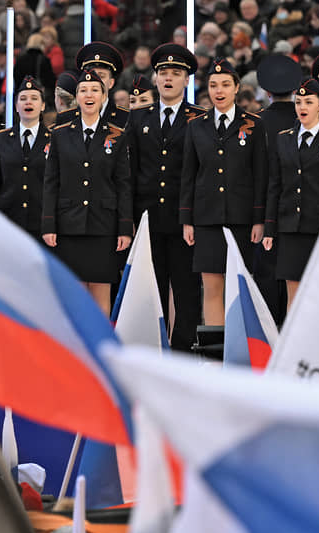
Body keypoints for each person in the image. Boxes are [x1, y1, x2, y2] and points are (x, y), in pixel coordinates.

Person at [126, 43, 205, 352]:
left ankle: (184, 351)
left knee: (186, 289)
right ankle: (154, 348)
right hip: (147, 217)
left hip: (184, 218)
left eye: (176, 73)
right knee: (152, 289)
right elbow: (131, 171)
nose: (169, 79)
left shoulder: (199, 118)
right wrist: (129, 219)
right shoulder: (138, 118)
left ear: (187, 80)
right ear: (155, 79)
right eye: (163, 73)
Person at [180, 57, 267, 326]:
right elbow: (189, 174)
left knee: (240, 285)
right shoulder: (196, 125)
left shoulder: (253, 124)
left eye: (225, 85)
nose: (219, 91)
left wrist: (259, 219)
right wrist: (187, 219)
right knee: (212, 284)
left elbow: (260, 174)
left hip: (241, 218)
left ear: (236, 88)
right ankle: (215, 349)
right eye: (214, 85)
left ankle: (239, 348)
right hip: (206, 217)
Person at [42, 69, 133, 315]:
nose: (89, 95)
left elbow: (123, 183)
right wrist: (49, 225)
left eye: (95, 90)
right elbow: (52, 181)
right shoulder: (60, 134)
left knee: (101, 293)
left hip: (104, 225)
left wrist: (125, 227)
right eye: (83, 90)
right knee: (76, 295)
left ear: (104, 96)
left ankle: (101, 351)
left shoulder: (117, 135)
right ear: (77, 97)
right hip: (69, 225)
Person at [262, 78, 319, 311]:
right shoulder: (284, 138)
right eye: (298, 102)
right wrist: (270, 228)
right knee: (294, 291)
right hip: (291, 225)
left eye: (308, 102)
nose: (302, 107)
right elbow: (275, 185)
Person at [254, 53, 302, 328]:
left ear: (265, 90)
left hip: (265, 214)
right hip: (299, 211)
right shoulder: (307, 119)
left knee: (267, 279)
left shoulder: (256, 123)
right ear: (295, 89)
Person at [0, 76, 50, 241]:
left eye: (34, 98)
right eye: (23, 99)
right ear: (16, 106)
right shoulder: (2, 138)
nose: (28, 102)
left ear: (42, 106)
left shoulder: (54, 139)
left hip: (42, 224)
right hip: (8, 222)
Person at [55, 42, 129, 129]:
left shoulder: (126, 119)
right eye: (92, 75)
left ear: (111, 83)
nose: (96, 81)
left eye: (101, 76)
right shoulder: (66, 118)